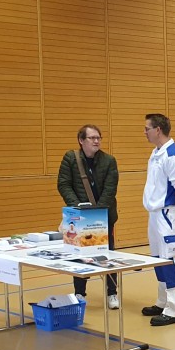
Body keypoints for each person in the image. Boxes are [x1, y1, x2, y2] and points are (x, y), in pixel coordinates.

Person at [57, 124, 120, 309]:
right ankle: (79, 293)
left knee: (107, 255)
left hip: (103, 217)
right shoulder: (70, 158)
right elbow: (63, 184)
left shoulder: (109, 161)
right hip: (79, 218)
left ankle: (112, 293)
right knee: (79, 255)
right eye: (92, 138)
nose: (96, 141)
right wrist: (78, 208)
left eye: (98, 138)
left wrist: (97, 213)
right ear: (81, 140)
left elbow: (110, 189)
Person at [140, 113, 175, 326]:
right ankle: (163, 301)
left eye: (147, 128)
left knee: (170, 260)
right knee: (158, 259)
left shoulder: (172, 154)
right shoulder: (156, 153)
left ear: (158, 129)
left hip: (168, 215)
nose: (145, 132)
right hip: (155, 215)